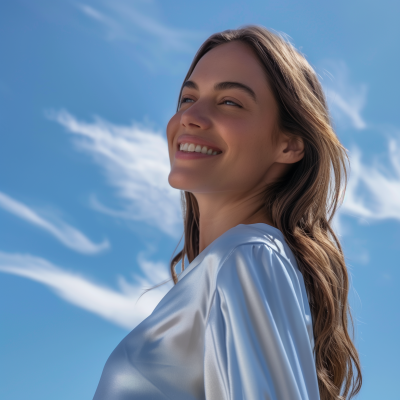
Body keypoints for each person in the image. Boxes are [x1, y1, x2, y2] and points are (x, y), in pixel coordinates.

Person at [92, 25, 362, 400]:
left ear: (289, 144)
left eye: (230, 102)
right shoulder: (228, 267)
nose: (191, 116)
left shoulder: (247, 256)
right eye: (188, 98)